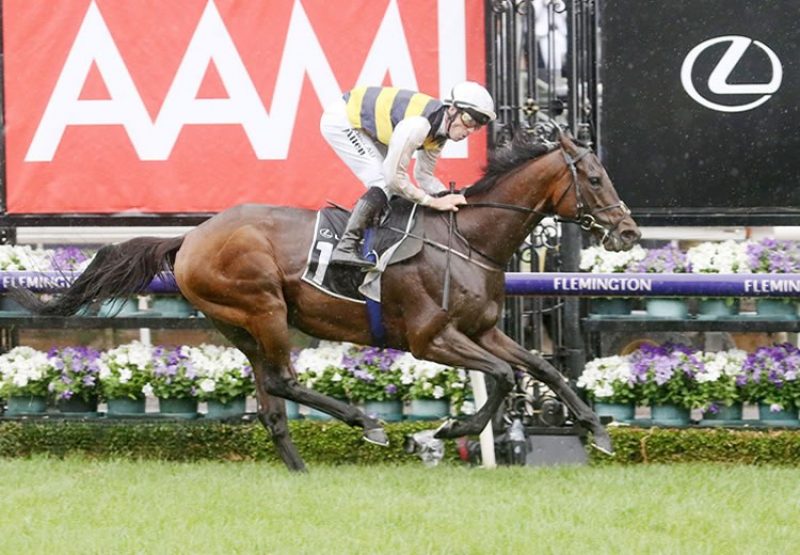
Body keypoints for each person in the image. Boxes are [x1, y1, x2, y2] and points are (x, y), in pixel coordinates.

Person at [319, 81, 496, 269]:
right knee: (383, 182)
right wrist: (432, 201)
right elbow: (394, 178)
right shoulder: (419, 125)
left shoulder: (440, 134)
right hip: (343, 119)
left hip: (368, 126)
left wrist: (449, 196)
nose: (469, 131)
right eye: (468, 120)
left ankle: (375, 236)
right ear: (452, 109)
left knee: (389, 187)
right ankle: (346, 245)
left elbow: (424, 176)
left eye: (476, 127)